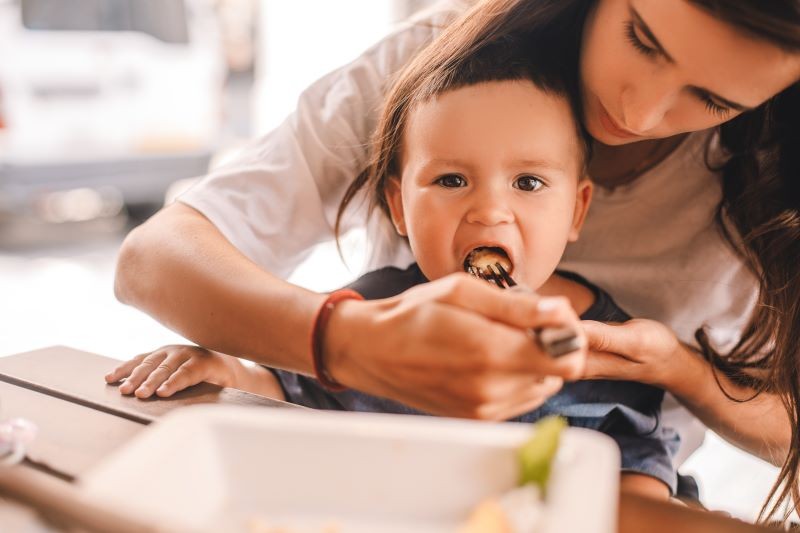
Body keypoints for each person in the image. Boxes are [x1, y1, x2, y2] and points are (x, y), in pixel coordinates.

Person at [113, 0, 800, 519]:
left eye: (715, 100)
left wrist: (683, 372)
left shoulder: (776, 177)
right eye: (641, 38)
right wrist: (340, 340)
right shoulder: (440, 64)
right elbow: (154, 257)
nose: (640, 111)